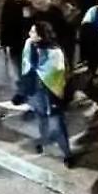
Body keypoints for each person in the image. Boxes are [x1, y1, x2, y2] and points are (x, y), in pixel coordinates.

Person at [21, 21, 73, 166]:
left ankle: (67, 153)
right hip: (36, 91)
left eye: (33, 32)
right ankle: (43, 141)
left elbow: (58, 72)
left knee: (57, 124)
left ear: (41, 35)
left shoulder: (55, 52)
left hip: (51, 93)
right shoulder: (29, 44)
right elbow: (27, 64)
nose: (29, 34)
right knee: (41, 119)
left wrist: (43, 75)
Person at [0, 0, 31, 81]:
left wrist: (26, 17)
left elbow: (30, 23)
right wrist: (5, 45)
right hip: (14, 43)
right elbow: (5, 26)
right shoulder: (8, 6)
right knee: (17, 68)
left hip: (26, 41)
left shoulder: (26, 5)